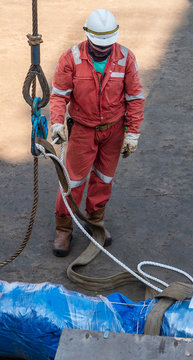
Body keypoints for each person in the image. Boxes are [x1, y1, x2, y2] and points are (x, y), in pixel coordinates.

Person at [49, 9, 145, 256]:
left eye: (107, 45)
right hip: (83, 130)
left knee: (104, 178)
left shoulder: (125, 58)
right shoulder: (71, 58)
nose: (103, 49)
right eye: (98, 45)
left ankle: (96, 220)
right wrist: (57, 122)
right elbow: (59, 94)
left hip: (113, 130)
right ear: (87, 35)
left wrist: (132, 132)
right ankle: (64, 227)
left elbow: (134, 98)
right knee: (73, 181)